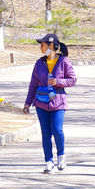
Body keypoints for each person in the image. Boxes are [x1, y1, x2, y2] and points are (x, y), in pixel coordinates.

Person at [23, 32, 77, 173]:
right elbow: (33, 84)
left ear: (51, 45)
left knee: (57, 130)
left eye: (43, 44)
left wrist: (58, 81)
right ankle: (48, 162)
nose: (41, 47)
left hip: (58, 102)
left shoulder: (63, 61)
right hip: (41, 103)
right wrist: (28, 103)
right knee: (45, 133)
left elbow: (72, 80)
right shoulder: (40, 62)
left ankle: (61, 156)